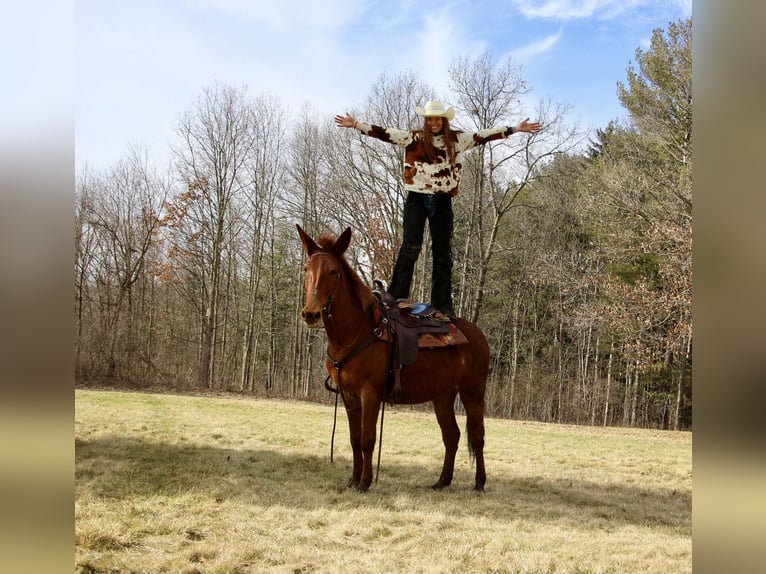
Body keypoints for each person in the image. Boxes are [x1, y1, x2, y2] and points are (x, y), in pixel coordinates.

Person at [334, 100, 540, 319]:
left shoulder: (457, 140)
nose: (433, 123)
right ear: (426, 121)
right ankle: (397, 296)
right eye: (429, 119)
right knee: (410, 246)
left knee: (443, 252)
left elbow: (484, 135)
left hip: (442, 200)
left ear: (443, 121)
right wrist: (356, 124)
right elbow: (385, 133)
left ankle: (442, 303)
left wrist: (515, 129)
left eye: (436, 119)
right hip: (417, 197)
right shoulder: (414, 138)